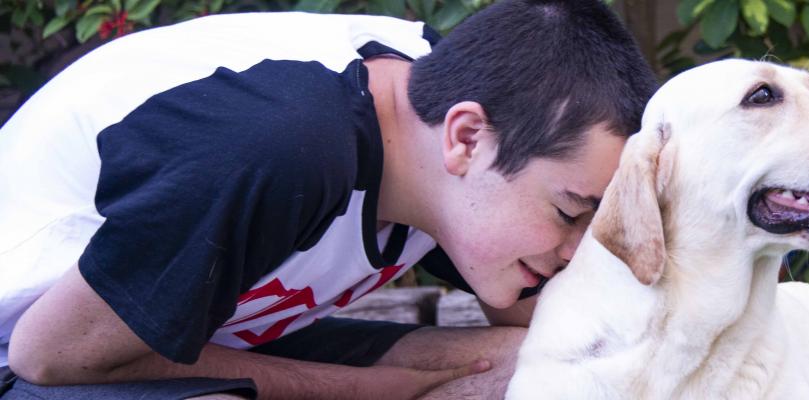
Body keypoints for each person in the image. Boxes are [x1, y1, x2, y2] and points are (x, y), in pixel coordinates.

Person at [0, 0, 657, 398]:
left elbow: (565, 327)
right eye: (570, 213)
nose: (577, 249)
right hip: (39, 348)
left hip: (201, 337)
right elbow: (50, 356)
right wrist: (363, 391)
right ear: (466, 138)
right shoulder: (281, 144)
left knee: (565, 369)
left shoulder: (455, 114)